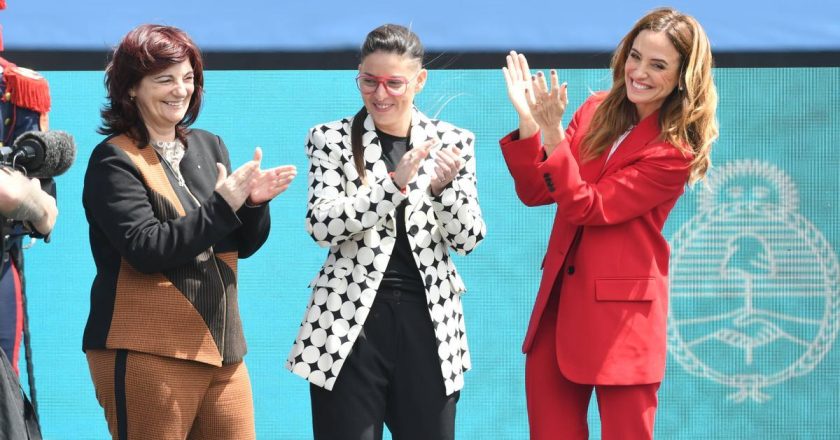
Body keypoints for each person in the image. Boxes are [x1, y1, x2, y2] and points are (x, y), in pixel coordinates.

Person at [499, 7, 718, 440]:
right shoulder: (596, 107)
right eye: (635, 56)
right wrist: (530, 125)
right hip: (556, 310)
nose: (639, 72)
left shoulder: (674, 151)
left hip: (624, 325)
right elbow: (538, 192)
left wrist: (554, 134)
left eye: (658, 65)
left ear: (682, 77)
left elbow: (588, 206)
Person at [82, 24, 296, 439]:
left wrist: (251, 204)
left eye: (188, 78)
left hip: (223, 351)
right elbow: (147, 248)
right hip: (148, 349)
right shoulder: (113, 161)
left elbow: (240, 246)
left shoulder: (208, 145)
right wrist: (223, 205)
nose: (180, 90)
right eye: (164, 79)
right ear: (130, 89)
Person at [286, 24, 486, 440]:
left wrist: (442, 191)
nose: (380, 95)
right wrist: (391, 186)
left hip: (428, 323)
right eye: (369, 81)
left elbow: (468, 238)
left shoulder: (453, 141)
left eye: (394, 83)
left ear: (419, 81)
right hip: (347, 324)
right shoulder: (331, 139)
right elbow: (322, 224)